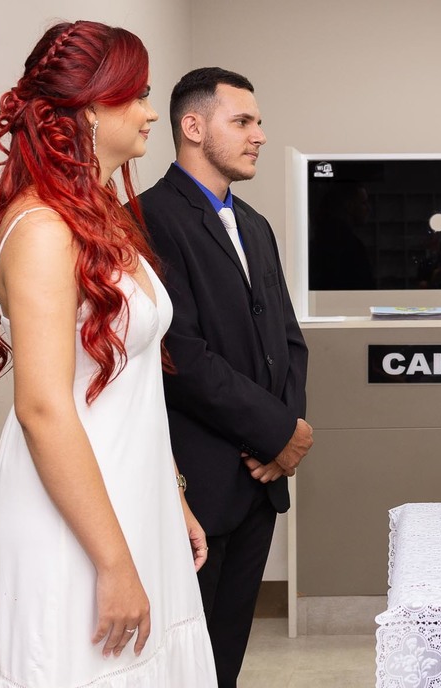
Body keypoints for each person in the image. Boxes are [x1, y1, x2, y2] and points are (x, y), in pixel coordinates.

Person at [0, 21, 217, 687]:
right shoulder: (44, 229)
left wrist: (172, 495)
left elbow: (130, 383)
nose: (149, 113)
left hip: (131, 501)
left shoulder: (102, 217)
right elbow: (44, 409)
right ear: (88, 109)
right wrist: (113, 562)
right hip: (72, 527)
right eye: (136, 95)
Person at [137, 67, 312, 688]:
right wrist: (277, 433)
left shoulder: (256, 225)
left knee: (226, 659)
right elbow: (180, 356)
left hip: (259, 484)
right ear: (193, 127)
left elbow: (288, 340)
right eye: (242, 121)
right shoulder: (147, 218)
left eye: (257, 122)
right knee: (185, 665)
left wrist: (285, 433)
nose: (259, 135)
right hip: (197, 486)